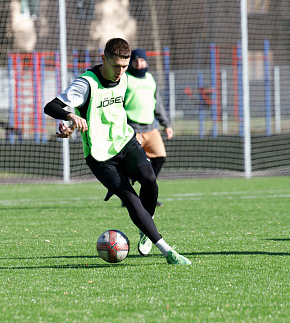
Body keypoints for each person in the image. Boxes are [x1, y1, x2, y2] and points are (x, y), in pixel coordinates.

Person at [44, 38, 191, 264]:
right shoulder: (87, 83)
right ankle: (166, 250)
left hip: (125, 141)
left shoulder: (125, 78)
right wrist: (71, 117)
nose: (120, 72)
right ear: (103, 59)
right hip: (100, 155)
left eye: (125, 66)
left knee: (150, 179)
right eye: (116, 66)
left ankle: (146, 227)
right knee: (130, 197)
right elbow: (51, 106)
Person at [124, 48, 173, 206]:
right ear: (131, 62)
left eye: (142, 60)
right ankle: (128, 197)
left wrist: (167, 124)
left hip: (151, 127)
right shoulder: (125, 79)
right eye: (136, 61)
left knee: (160, 157)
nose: (139, 63)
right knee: (130, 164)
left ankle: (148, 191)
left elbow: (157, 104)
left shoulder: (150, 78)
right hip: (131, 128)